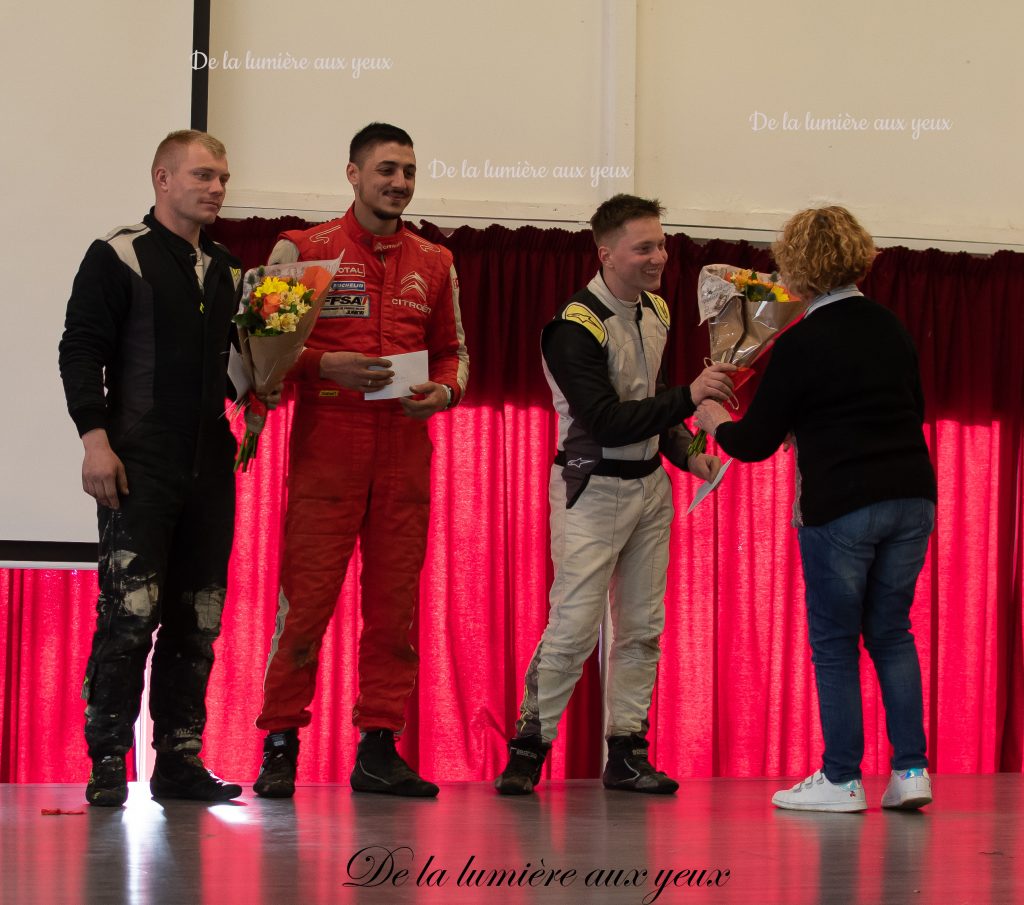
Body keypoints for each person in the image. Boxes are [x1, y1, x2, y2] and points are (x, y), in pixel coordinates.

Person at [695, 205, 937, 812]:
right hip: (913, 497)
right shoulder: (891, 326)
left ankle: (841, 779)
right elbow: (916, 410)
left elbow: (752, 445)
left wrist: (714, 419)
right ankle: (911, 772)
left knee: (834, 643)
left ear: (795, 265)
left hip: (841, 507)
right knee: (892, 633)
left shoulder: (801, 342)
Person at [253, 122, 469, 799]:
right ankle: (280, 742)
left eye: (407, 170)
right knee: (307, 606)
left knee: (394, 610)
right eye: (385, 169)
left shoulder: (436, 261)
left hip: (405, 453)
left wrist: (445, 391)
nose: (398, 182)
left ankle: (379, 745)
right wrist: (325, 364)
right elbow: (258, 353)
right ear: (353, 173)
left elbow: (454, 353)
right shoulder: (302, 248)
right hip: (329, 450)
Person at [494, 194, 735, 795]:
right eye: (645, 247)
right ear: (606, 254)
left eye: (661, 243)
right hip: (591, 488)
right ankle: (528, 750)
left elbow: (650, 400)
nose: (660, 256)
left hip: (650, 487)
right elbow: (605, 420)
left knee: (642, 627)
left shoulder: (656, 307)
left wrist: (687, 454)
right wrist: (689, 396)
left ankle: (627, 751)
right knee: (574, 626)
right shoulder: (573, 326)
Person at [58, 130, 245, 806]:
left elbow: (237, 367)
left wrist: (260, 387)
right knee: (130, 615)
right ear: (162, 179)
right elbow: (81, 348)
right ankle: (108, 756)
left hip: (210, 467)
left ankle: (179, 759)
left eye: (222, 177)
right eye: (202, 175)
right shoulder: (119, 254)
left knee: (199, 618)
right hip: (139, 463)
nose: (216, 187)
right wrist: (94, 439)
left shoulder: (226, 266)